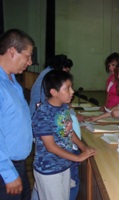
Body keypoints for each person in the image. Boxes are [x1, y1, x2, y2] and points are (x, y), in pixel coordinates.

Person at [31, 70, 96, 200]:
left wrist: (83, 147)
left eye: (71, 87)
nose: (72, 92)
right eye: (67, 88)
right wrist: (76, 158)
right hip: (49, 171)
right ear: (53, 92)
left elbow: (69, 132)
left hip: (64, 165)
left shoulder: (64, 107)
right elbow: (51, 147)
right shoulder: (43, 114)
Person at [0, 29, 34, 199]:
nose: (30, 62)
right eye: (28, 56)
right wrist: (8, 173)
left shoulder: (13, 81)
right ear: (12, 51)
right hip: (5, 168)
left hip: (17, 165)